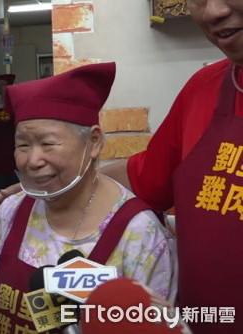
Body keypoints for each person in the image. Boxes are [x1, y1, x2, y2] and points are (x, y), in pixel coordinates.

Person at [0, 62, 177, 334]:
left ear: (94, 142)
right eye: (22, 145)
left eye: (48, 144)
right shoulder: (11, 212)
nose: (33, 160)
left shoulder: (139, 234)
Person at [100, 1, 243, 333]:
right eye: (197, 0)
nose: (212, 12)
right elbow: (144, 178)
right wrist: (55, 183)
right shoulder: (204, 88)